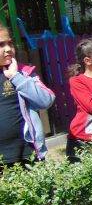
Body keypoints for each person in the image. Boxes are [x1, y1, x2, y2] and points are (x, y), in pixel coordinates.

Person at [0, 25, 55, 167]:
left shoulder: (24, 72)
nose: (8, 49)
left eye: (10, 43)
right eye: (1, 45)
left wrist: (15, 77)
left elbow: (46, 100)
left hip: (27, 152)